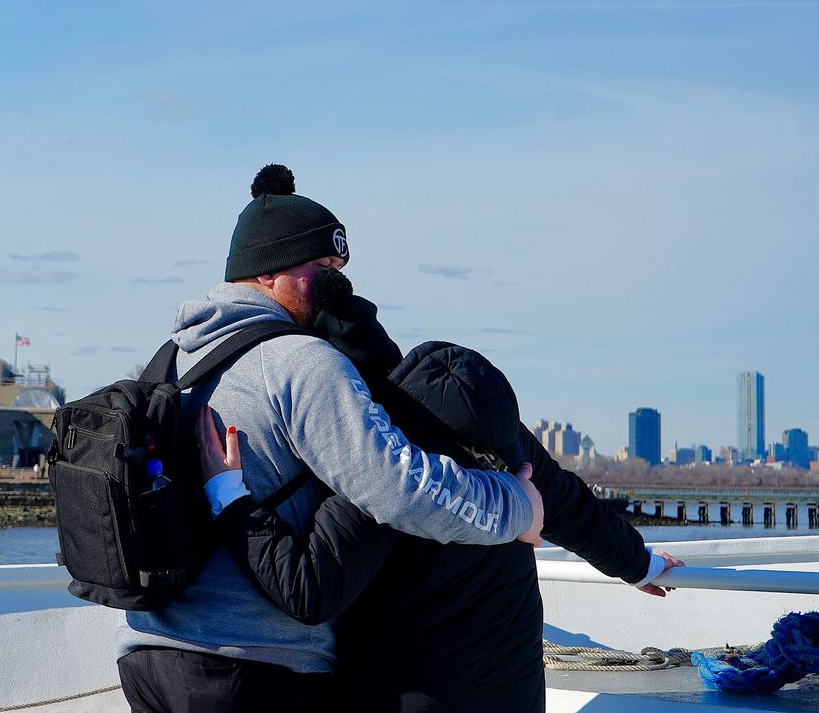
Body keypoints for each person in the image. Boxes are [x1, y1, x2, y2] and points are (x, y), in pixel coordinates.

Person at [115, 165, 545, 713]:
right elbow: (399, 487)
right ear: (268, 269)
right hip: (250, 665)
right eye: (321, 269)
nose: (334, 288)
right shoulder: (300, 361)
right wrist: (514, 507)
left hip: (147, 654)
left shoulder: (172, 360)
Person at [199, 271, 683, 711]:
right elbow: (572, 506)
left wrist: (230, 496)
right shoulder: (500, 439)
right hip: (512, 689)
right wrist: (639, 564)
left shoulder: (381, 467)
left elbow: (310, 586)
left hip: (409, 691)